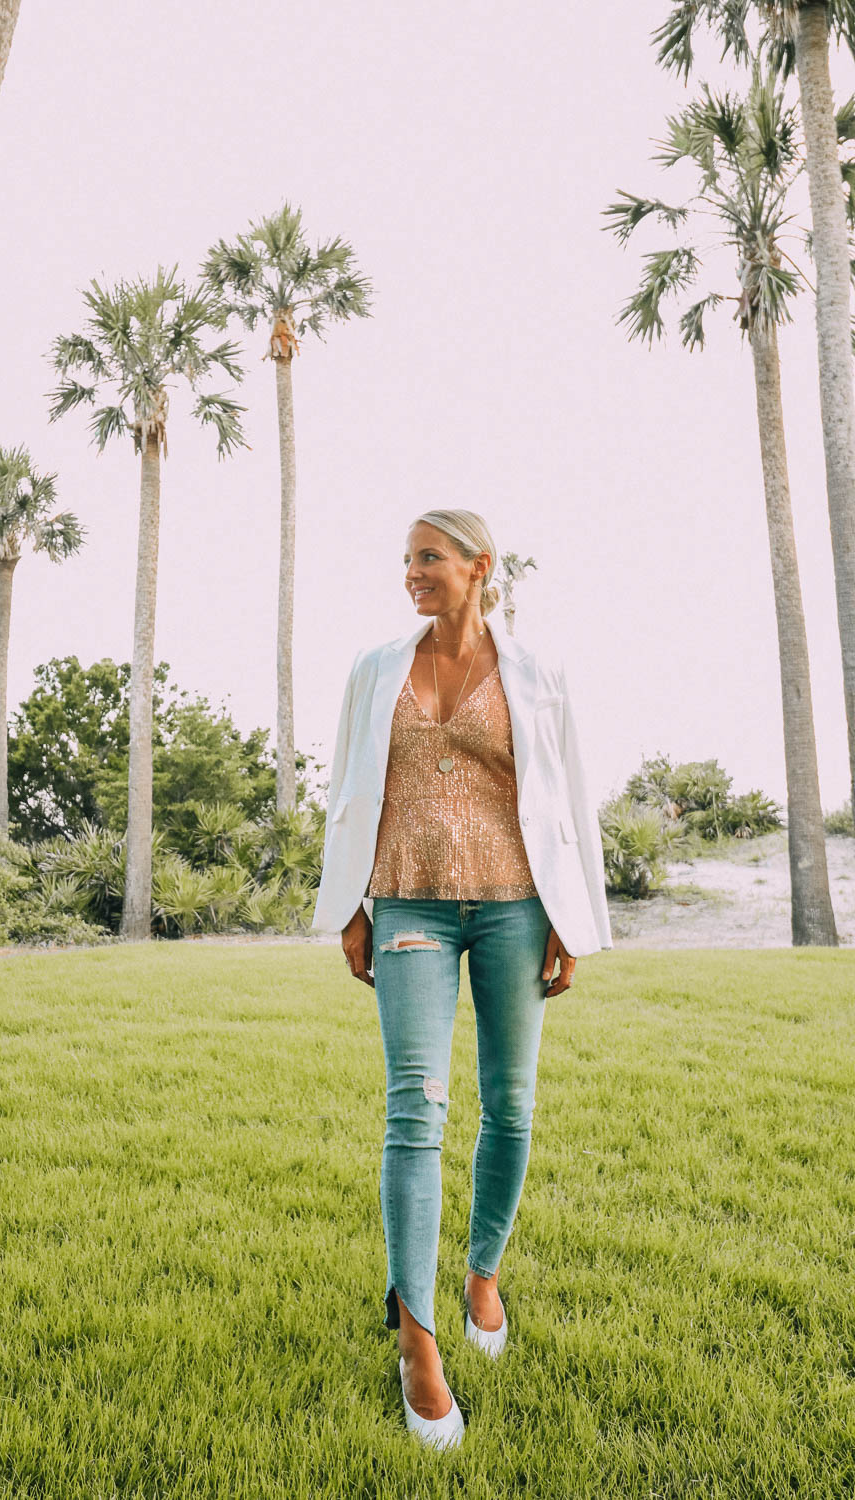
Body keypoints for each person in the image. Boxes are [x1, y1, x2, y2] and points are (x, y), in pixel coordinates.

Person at [310, 508, 612, 1450]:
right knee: (416, 1110)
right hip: (408, 903)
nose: (412, 573)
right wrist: (353, 907)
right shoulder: (375, 669)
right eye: (405, 559)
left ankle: (483, 1274)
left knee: (511, 1105)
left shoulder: (539, 673)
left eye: (429, 558)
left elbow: (570, 794)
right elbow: (347, 793)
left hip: (519, 904)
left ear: (480, 567)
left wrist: (572, 918)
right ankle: (418, 1343)